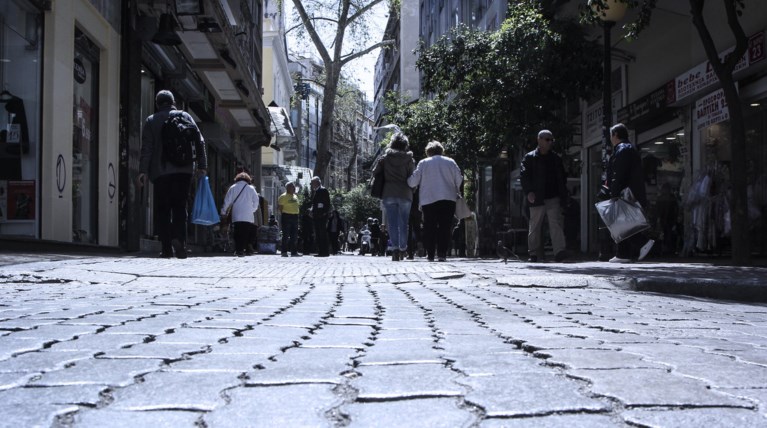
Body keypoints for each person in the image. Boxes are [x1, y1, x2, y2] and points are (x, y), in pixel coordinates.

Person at [138, 90, 207, 259]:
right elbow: (200, 140)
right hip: (184, 170)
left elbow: (147, 148)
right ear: (173, 102)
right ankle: (180, 242)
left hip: (160, 172)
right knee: (180, 207)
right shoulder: (185, 116)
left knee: (163, 209)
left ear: (157, 103)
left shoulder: (151, 121)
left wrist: (143, 171)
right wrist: (202, 166)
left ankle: (166, 248)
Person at [606, 123, 655, 263]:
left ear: (615, 135)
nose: (610, 138)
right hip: (628, 191)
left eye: (611, 135)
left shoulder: (623, 149)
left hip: (625, 192)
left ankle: (642, 242)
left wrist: (614, 192)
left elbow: (619, 173)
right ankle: (623, 254)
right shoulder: (626, 149)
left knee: (624, 222)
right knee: (621, 222)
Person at [407, 141, 463, 262]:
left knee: (429, 227)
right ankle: (442, 253)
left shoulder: (423, 163)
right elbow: (459, 179)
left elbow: (413, 181)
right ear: (441, 150)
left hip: (429, 199)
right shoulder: (450, 162)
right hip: (448, 198)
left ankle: (431, 254)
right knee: (445, 226)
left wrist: (407, 180)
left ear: (429, 152)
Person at [520, 129, 568, 262]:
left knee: (555, 224)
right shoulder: (529, 158)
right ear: (539, 140)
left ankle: (559, 252)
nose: (550, 142)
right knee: (535, 225)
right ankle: (533, 253)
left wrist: (562, 194)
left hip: (553, 197)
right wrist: (529, 192)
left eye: (551, 140)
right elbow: (524, 176)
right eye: (547, 139)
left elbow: (562, 177)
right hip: (537, 197)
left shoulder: (556, 158)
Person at [372, 132, 416, 261]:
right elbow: (412, 176)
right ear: (405, 145)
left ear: (392, 144)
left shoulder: (385, 158)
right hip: (405, 193)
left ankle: (395, 249)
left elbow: (375, 173)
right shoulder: (409, 160)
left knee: (392, 223)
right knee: (404, 223)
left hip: (389, 192)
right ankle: (403, 249)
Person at [220, 172, 259, 257]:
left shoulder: (233, 187)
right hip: (247, 215)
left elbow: (227, 201)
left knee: (237, 231)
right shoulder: (251, 188)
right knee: (245, 232)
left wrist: (223, 211)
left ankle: (238, 249)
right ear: (248, 179)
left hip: (236, 214)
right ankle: (242, 249)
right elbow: (256, 201)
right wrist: (252, 209)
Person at [277, 181, 301, 257]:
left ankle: (294, 252)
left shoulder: (295, 196)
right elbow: (280, 208)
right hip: (286, 216)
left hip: (295, 216)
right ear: (287, 188)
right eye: (292, 186)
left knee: (294, 235)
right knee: (286, 235)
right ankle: (284, 252)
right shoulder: (283, 197)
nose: (293, 188)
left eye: (294, 186)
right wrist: (285, 214)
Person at [310, 176, 331, 257]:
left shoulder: (323, 190)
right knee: (318, 234)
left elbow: (327, 203)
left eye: (312, 183)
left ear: (317, 182)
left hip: (321, 216)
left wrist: (324, 213)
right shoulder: (316, 191)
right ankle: (320, 251)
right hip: (316, 216)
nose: (311, 185)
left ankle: (324, 251)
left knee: (322, 234)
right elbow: (315, 203)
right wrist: (312, 210)